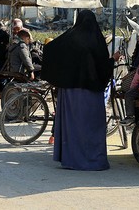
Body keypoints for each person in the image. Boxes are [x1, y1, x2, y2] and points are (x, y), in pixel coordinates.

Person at [42, 9, 113, 171]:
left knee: (72, 126)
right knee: (92, 125)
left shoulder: (70, 37)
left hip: (70, 92)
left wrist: (59, 75)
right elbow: (102, 66)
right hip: (92, 92)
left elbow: (49, 49)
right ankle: (94, 160)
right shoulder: (96, 40)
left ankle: (71, 159)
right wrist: (112, 61)